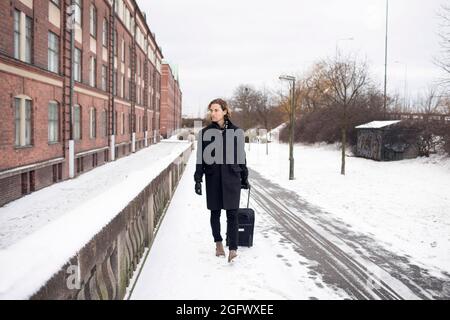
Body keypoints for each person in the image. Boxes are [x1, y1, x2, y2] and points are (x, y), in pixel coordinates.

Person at [194, 98, 250, 263]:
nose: (213, 113)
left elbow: (242, 157)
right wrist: (198, 179)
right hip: (213, 177)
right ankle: (218, 243)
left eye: (216, 110)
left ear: (225, 111)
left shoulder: (236, 132)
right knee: (215, 212)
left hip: (232, 177)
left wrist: (244, 177)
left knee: (233, 213)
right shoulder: (205, 133)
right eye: (211, 110)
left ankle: (232, 248)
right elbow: (200, 159)